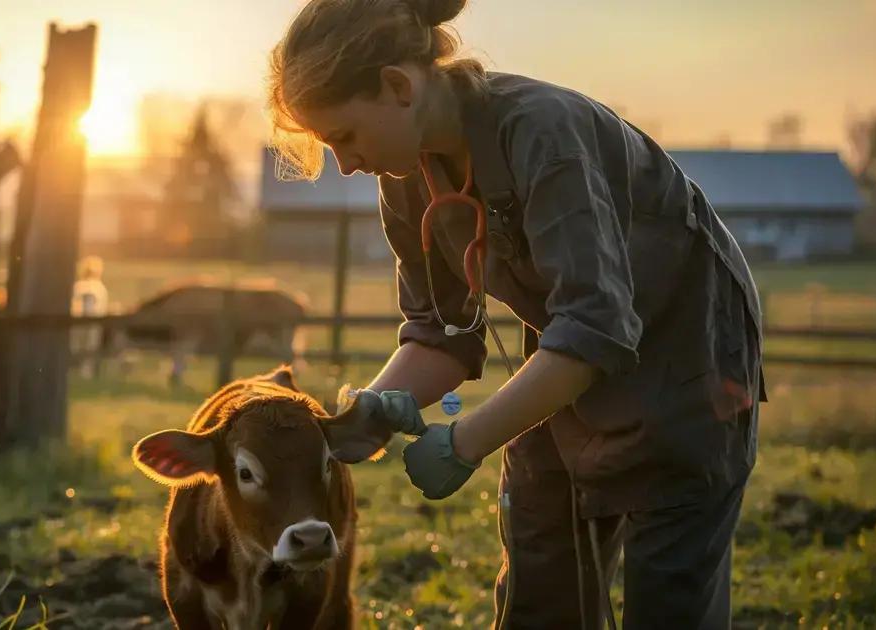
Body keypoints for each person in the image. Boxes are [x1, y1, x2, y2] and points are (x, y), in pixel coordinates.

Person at [267, 0, 765, 628]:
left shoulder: (543, 133)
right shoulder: (405, 177)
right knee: (540, 568)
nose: (345, 164)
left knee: (669, 595)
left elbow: (596, 330)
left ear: (398, 87)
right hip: (562, 355)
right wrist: (375, 407)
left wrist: (464, 442)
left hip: (687, 357)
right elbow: (442, 334)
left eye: (344, 137)